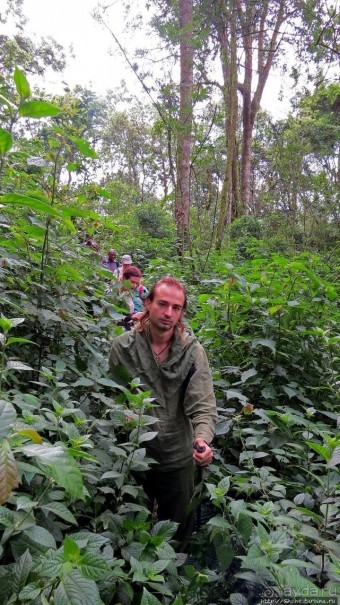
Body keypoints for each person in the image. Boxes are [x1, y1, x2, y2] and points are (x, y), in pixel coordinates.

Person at [109, 276, 217, 549]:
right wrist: (125, 416)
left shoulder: (193, 353)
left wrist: (203, 440)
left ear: (182, 312)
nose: (169, 313)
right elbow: (113, 397)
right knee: (130, 530)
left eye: (176, 308)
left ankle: (173, 585)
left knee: (178, 531)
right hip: (133, 455)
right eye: (163, 304)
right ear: (148, 303)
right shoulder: (123, 347)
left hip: (177, 456)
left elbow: (202, 403)